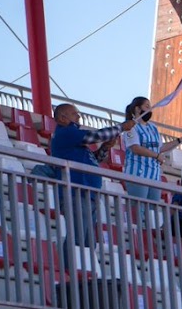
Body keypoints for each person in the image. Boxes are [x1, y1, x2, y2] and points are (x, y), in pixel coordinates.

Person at [50, 103, 135, 265]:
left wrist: (104, 148)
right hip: (75, 192)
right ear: (62, 117)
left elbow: (94, 160)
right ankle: (71, 270)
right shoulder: (66, 132)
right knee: (77, 236)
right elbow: (95, 136)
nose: (79, 117)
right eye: (75, 114)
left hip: (87, 193)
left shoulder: (72, 138)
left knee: (88, 239)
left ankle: (85, 269)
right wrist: (121, 127)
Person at [123, 97, 182, 223]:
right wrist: (156, 156)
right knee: (139, 212)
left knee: (151, 214)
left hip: (154, 176)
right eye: (147, 106)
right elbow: (135, 148)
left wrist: (179, 141)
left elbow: (161, 147)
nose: (151, 109)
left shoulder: (153, 127)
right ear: (137, 109)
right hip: (138, 174)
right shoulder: (130, 126)